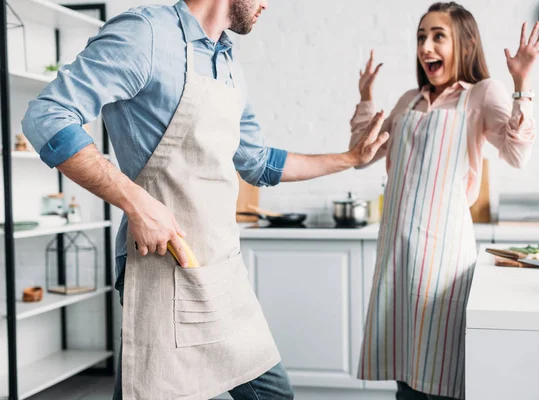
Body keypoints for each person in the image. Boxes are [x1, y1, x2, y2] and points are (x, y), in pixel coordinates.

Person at [21, 1, 389, 399]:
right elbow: (48, 115)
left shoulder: (229, 64)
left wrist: (350, 159)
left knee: (273, 394)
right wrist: (136, 201)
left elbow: (258, 163)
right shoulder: (145, 34)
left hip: (222, 268)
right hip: (163, 268)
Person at [349, 2, 539, 399]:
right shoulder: (409, 99)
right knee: (405, 377)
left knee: (441, 379)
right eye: (421, 36)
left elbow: (517, 155)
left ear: (464, 42)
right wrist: (367, 96)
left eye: (438, 36)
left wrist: (522, 84)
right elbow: (362, 155)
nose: (426, 47)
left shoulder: (480, 94)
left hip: (444, 262)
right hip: (396, 257)